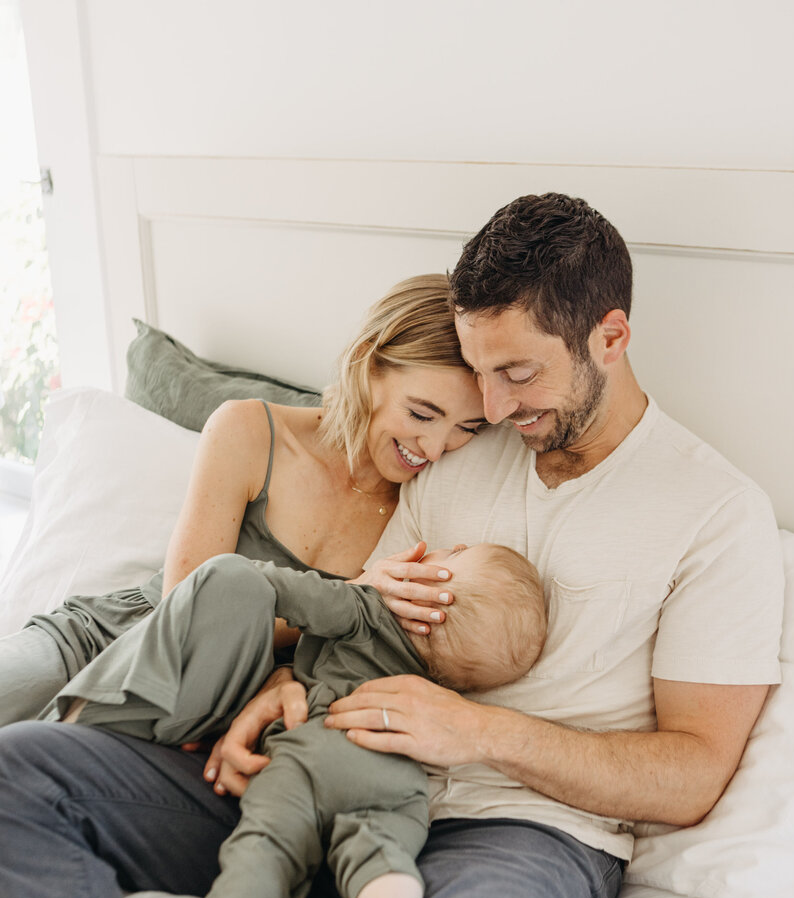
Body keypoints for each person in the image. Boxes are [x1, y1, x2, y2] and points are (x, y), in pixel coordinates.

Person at [0, 193, 784, 898]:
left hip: (520, 836)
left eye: (516, 373)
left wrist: (474, 732)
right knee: (17, 775)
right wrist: (291, 691)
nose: (491, 409)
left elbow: (691, 773)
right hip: (336, 761)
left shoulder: (713, 515)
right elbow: (371, 623)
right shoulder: (465, 454)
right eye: (477, 373)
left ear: (610, 336)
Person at [48, 541, 545, 898]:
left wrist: (357, 586)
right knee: (384, 847)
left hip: (314, 746)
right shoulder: (440, 692)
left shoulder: (369, 609)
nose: (446, 546)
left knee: (265, 848)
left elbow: (274, 588)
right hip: (396, 765)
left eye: (454, 558)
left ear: (427, 598)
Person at [0, 273, 485, 734]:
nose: (436, 447)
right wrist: (354, 596)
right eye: (422, 413)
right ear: (368, 364)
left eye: (467, 428)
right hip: (113, 634)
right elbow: (185, 605)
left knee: (30, 769)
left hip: (215, 695)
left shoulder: (423, 508)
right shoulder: (249, 430)